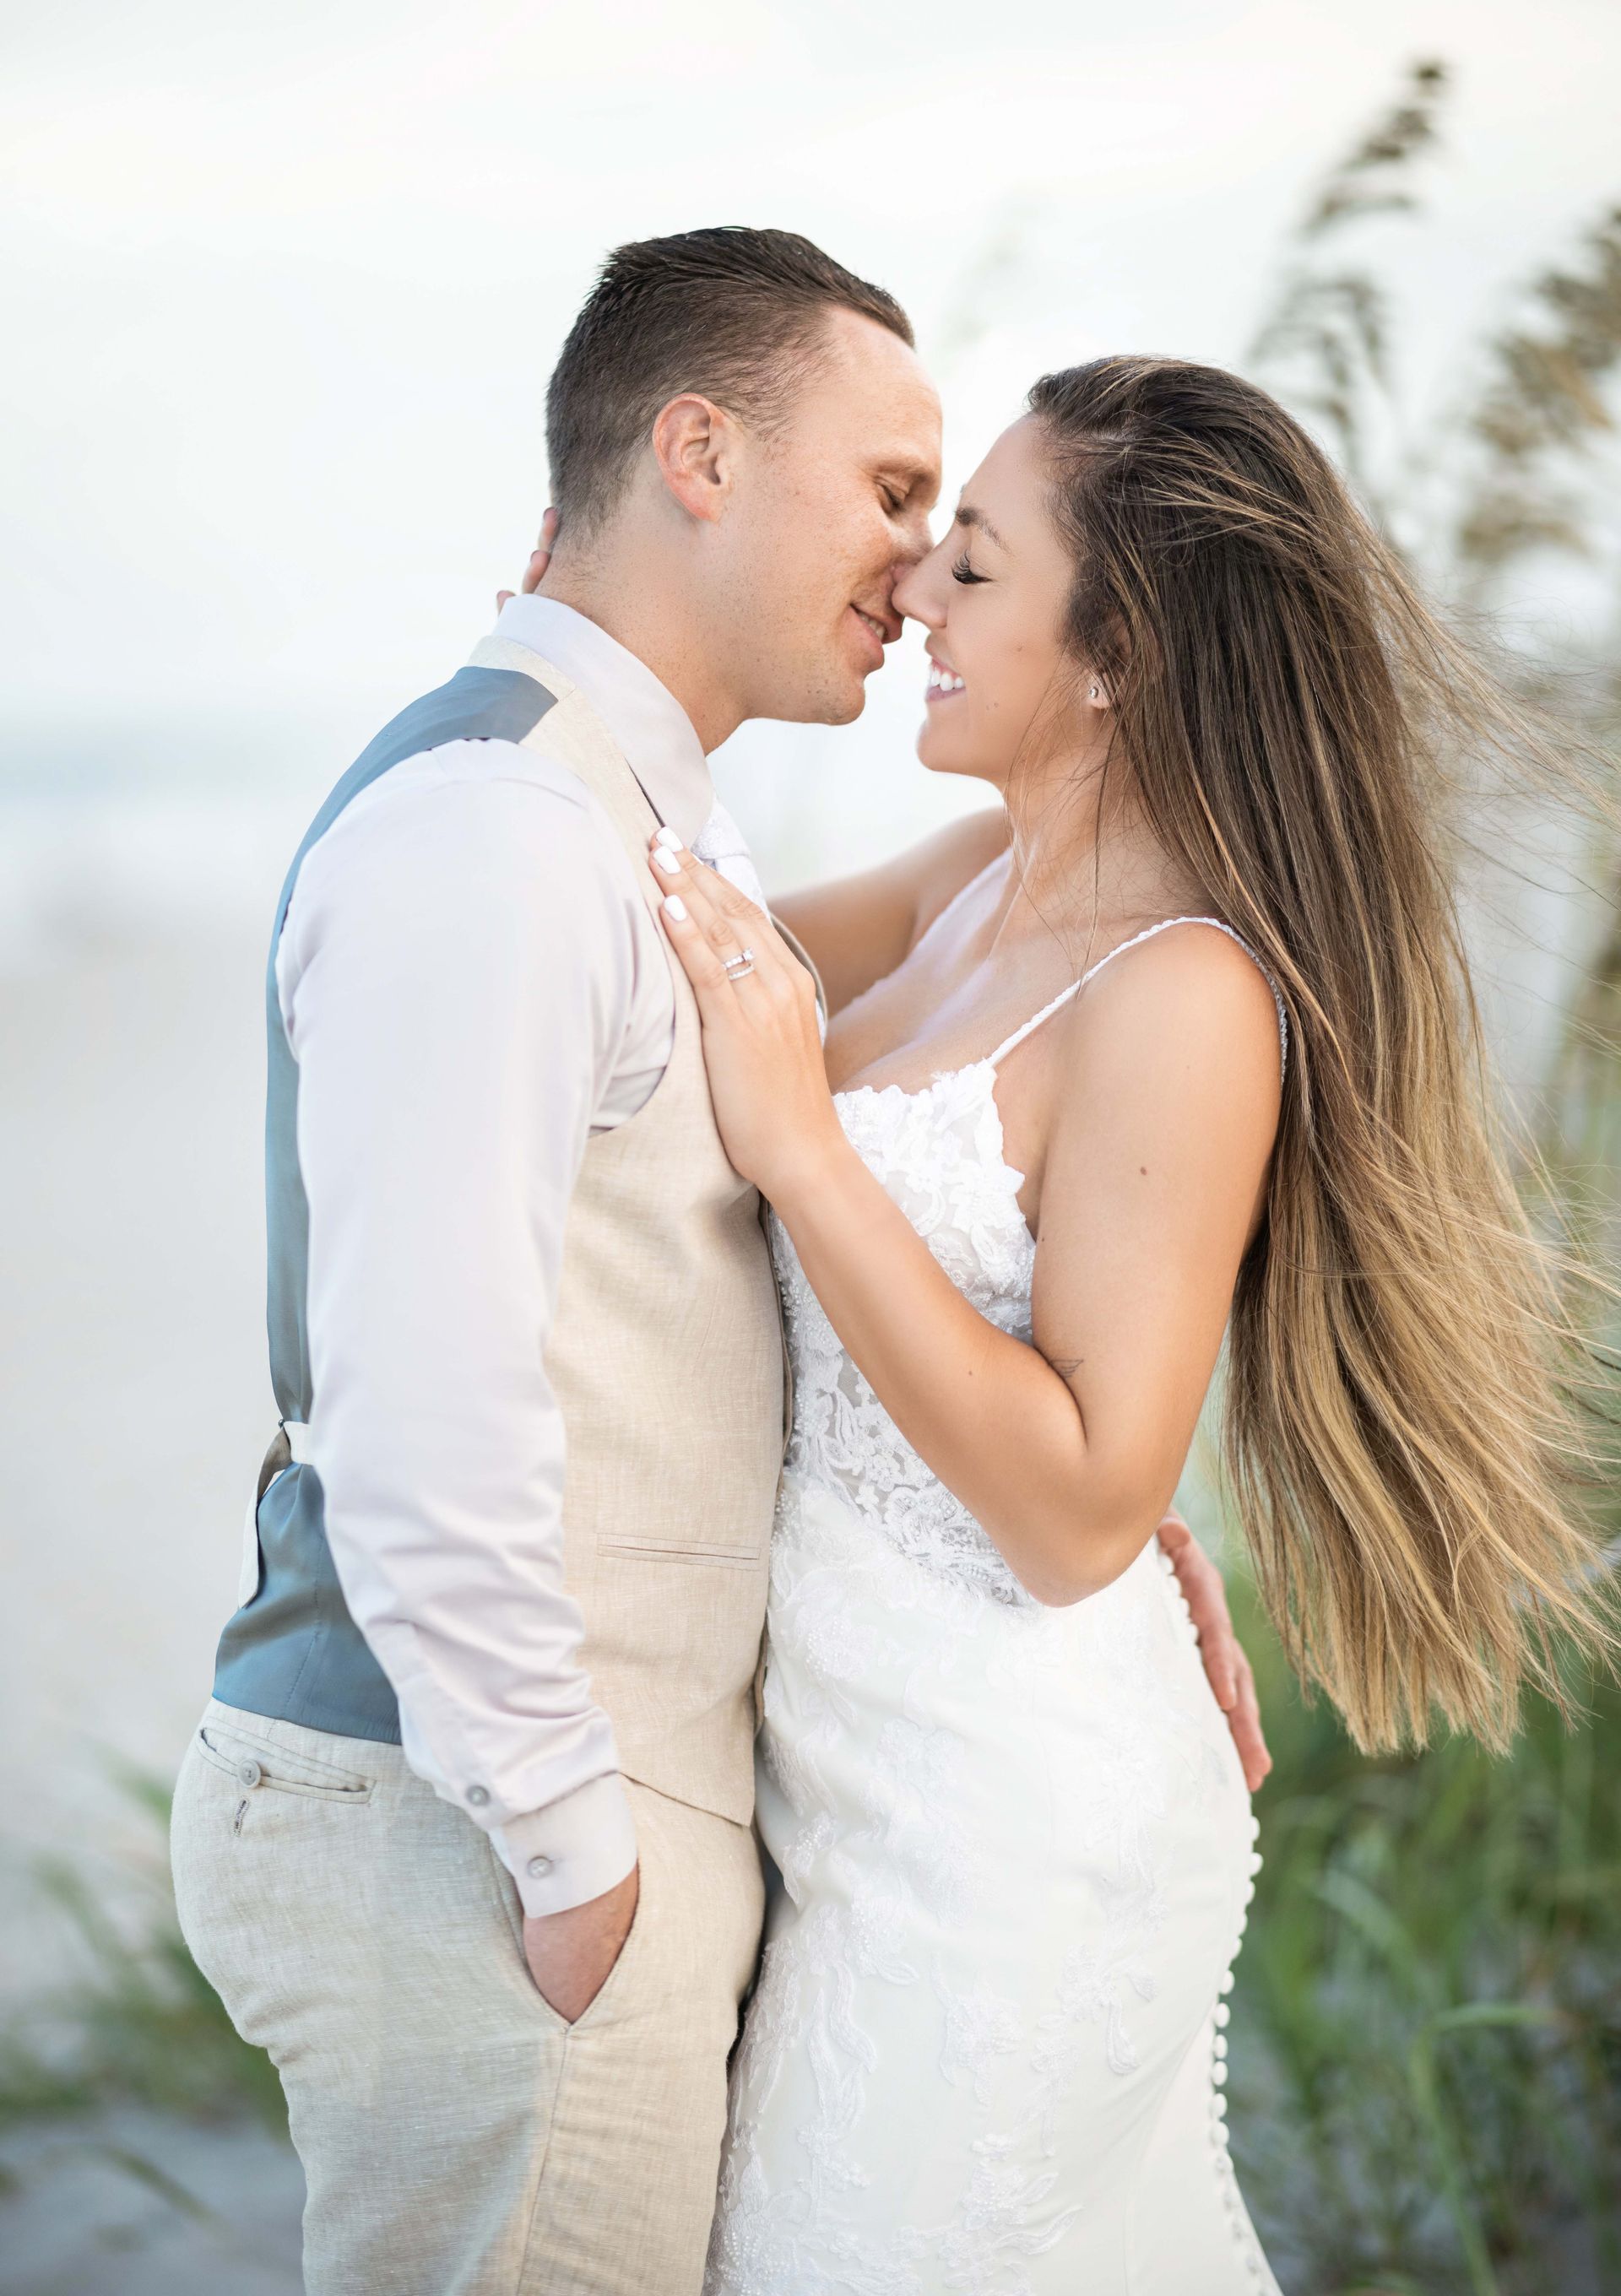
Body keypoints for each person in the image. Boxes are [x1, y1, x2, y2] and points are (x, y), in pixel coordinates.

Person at [168, 233, 1258, 2296]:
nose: (915, 568)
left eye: (960, 538)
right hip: (513, 1834)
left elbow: (998, 1089)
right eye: (891, 497)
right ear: (695, 452)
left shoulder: (653, 821)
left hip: (816, 1813)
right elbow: (424, 1406)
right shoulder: (502, 833)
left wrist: (1113, 1496)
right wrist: (578, 1864)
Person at [641, 358, 1616, 2293]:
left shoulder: (1185, 996)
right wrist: (578, 654)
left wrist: (808, 1159)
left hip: (1000, 1851)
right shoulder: (975, 884)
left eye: (977, 568)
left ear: (1121, 654)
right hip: (864, 1806)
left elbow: (1086, 1507)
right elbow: (661, 941)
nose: (916, 592)